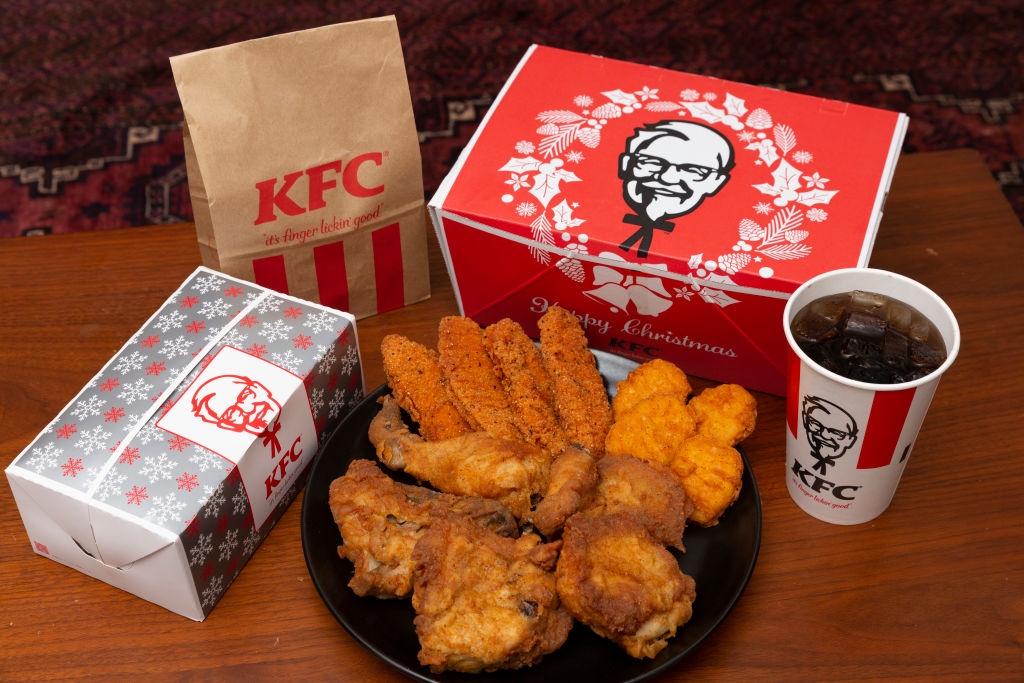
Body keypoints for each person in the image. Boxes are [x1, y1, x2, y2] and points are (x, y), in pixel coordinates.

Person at [617, 120, 735, 258]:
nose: (668, 178)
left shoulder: (713, 246)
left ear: (716, 182)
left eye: (693, 170)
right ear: (626, 164)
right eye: (652, 162)